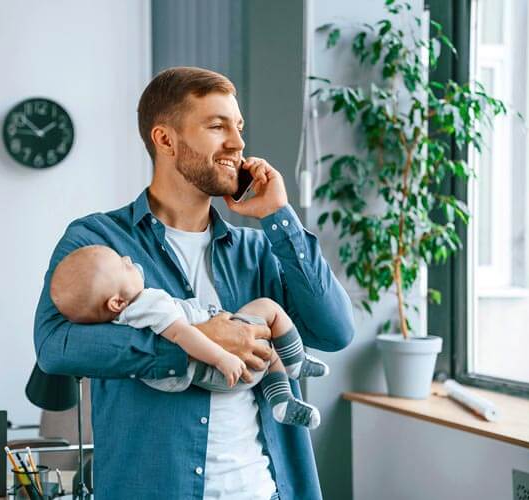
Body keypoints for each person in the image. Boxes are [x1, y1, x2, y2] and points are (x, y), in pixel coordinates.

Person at [34, 66, 355, 499]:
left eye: (238, 127)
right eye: (217, 125)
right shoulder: (98, 241)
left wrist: (281, 218)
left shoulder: (257, 249)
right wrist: (190, 343)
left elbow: (335, 331)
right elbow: (56, 347)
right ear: (165, 139)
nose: (238, 143)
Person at [49, 244, 331, 429]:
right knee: (268, 310)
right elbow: (183, 334)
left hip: (208, 376)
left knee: (267, 353)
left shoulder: (122, 321)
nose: (127, 258)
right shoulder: (149, 305)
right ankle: (295, 362)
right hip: (224, 369)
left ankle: (282, 404)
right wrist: (222, 357)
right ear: (116, 303)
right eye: (123, 266)